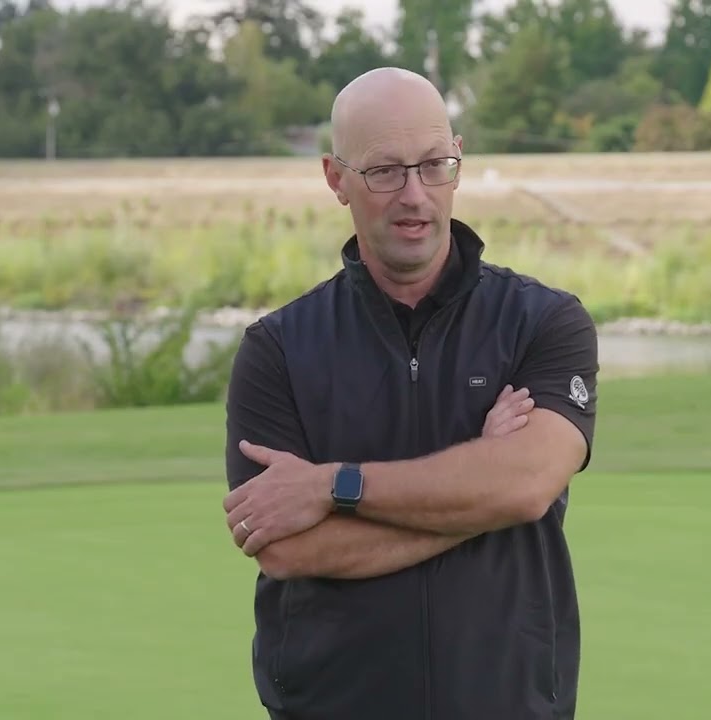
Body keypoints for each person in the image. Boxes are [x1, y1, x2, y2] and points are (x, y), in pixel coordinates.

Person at [220, 67, 600, 720]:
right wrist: (480, 490)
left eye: (434, 165)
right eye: (385, 171)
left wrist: (333, 488)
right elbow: (286, 548)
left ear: (459, 160)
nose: (415, 195)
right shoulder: (277, 349)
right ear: (335, 178)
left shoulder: (544, 322)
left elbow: (526, 486)